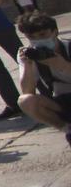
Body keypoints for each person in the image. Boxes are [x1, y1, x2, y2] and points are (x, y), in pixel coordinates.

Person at [15, 12, 71, 144]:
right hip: (61, 100)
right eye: (31, 37)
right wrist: (28, 65)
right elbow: (27, 91)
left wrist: (62, 65)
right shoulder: (29, 54)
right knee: (25, 100)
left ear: (55, 32)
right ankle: (67, 128)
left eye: (43, 35)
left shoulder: (68, 47)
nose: (38, 40)